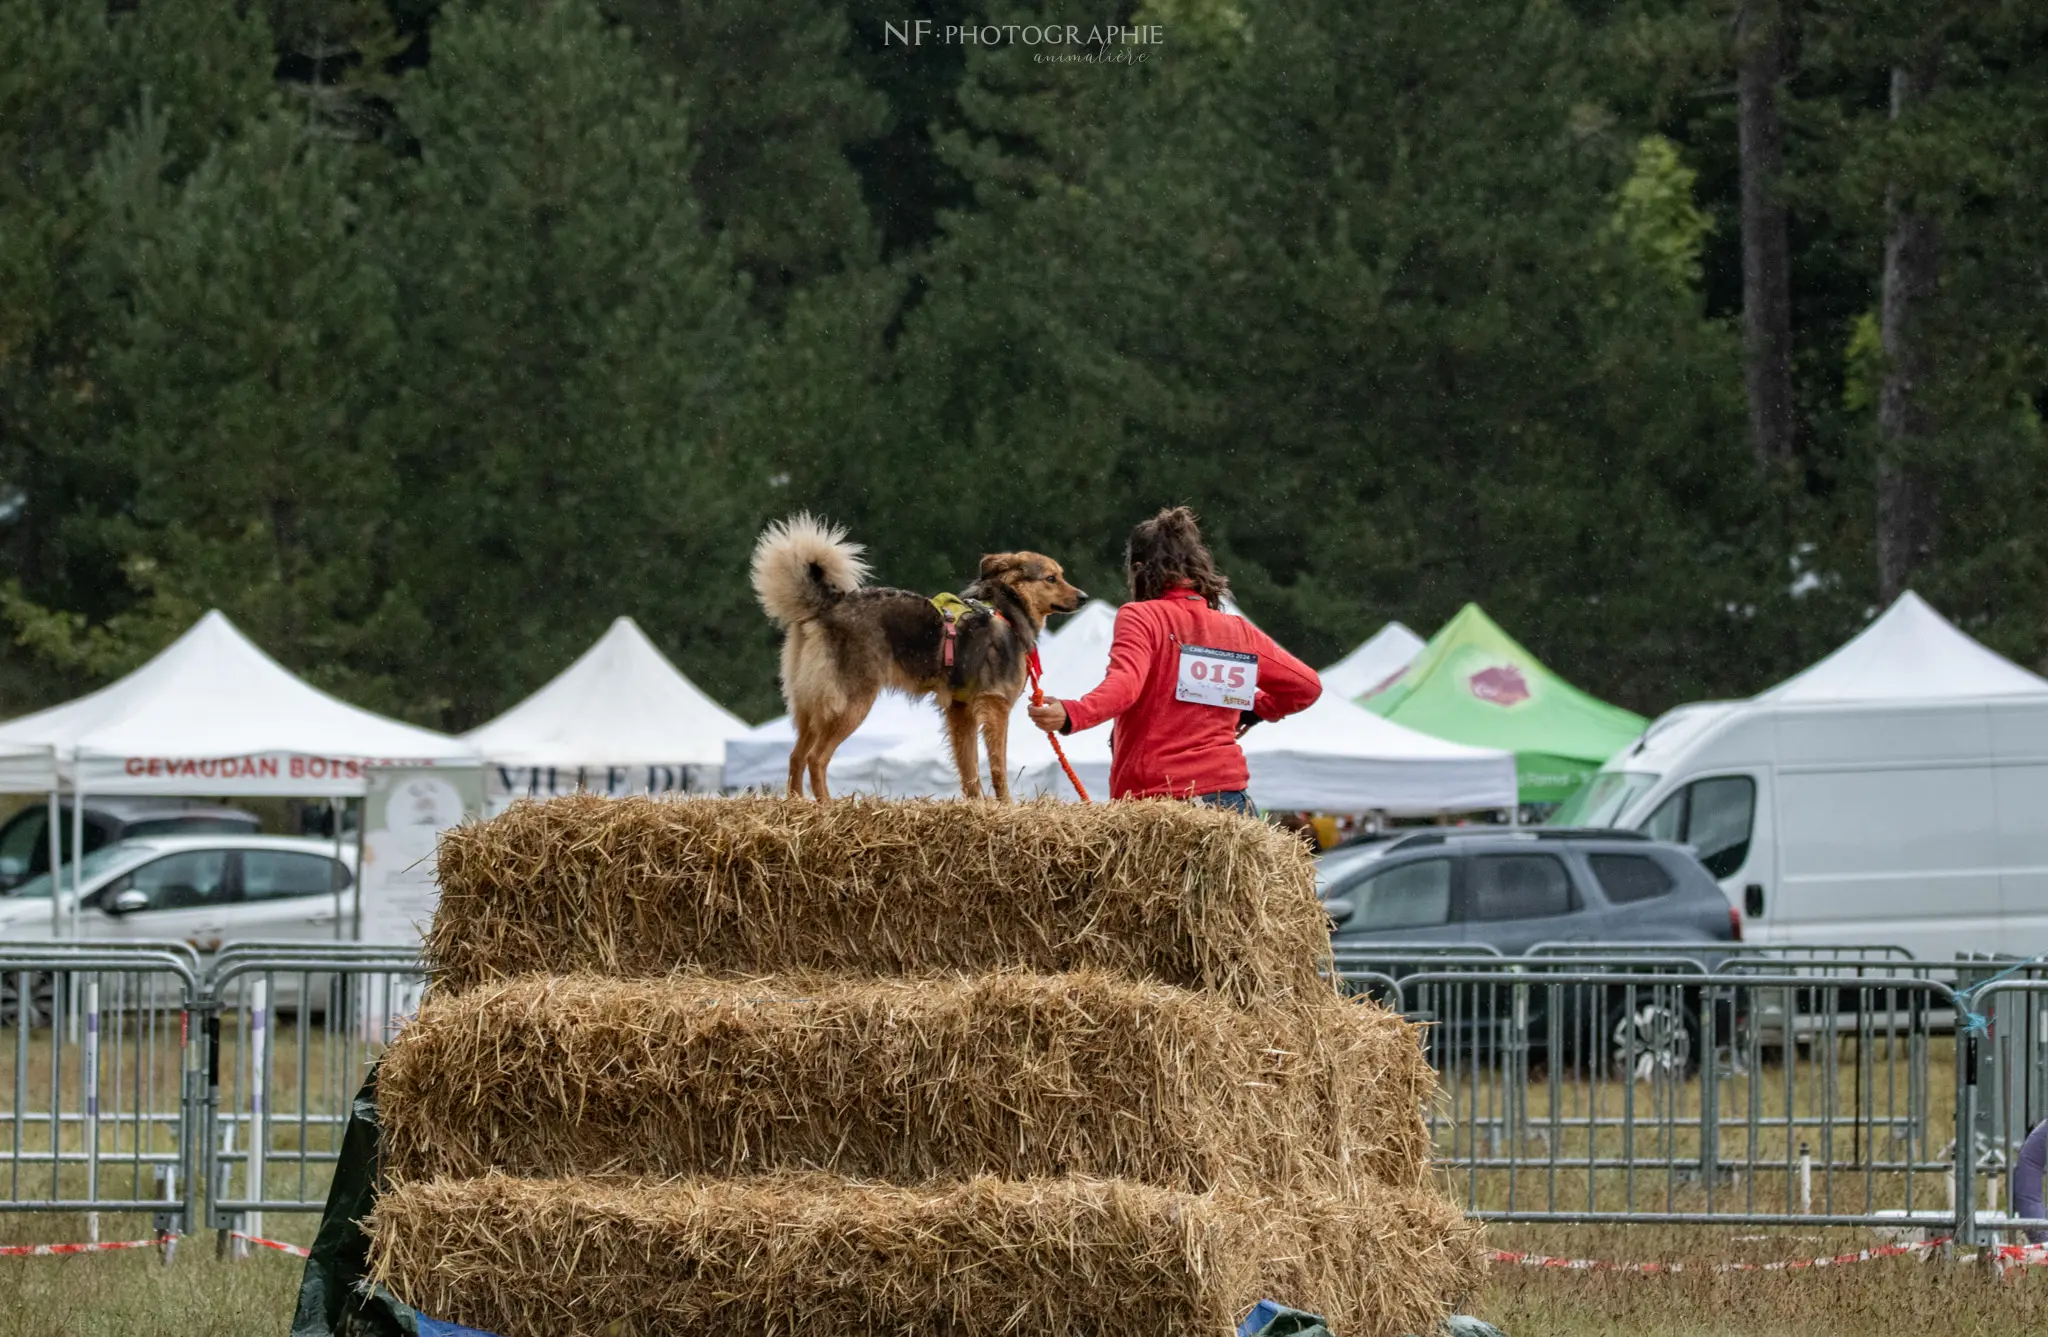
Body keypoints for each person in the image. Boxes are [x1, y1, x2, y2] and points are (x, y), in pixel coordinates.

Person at [1026, 506, 1321, 813]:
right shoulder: (1237, 630)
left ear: (1139, 568)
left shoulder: (1140, 616)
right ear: (1197, 567)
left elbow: (1125, 686)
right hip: (1229, 801)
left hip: (1159, 805)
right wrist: (1256, 709)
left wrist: (1073, 713)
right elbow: (1307, 687)